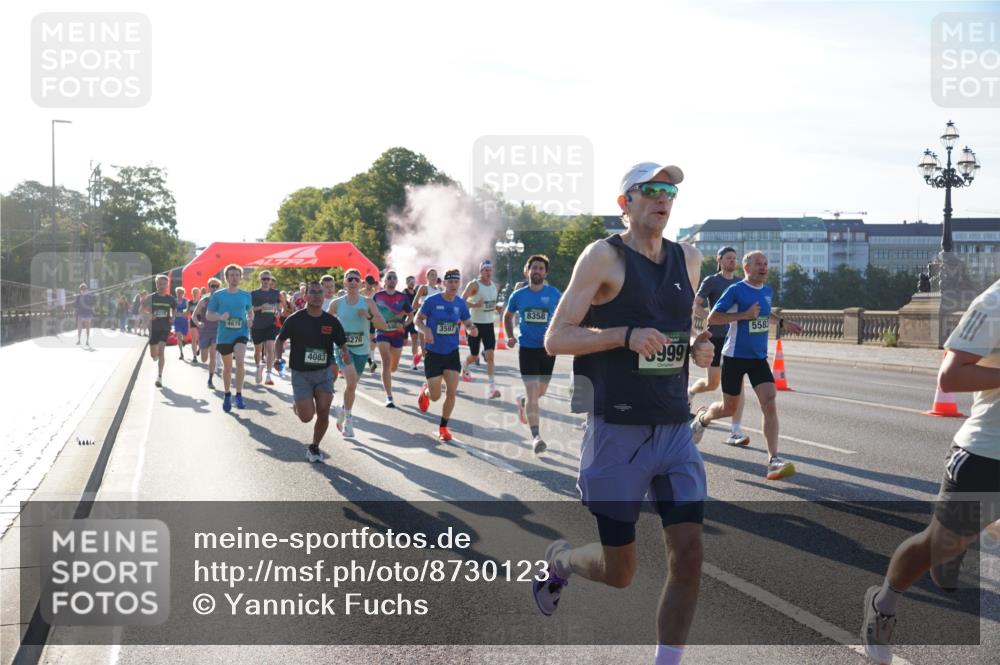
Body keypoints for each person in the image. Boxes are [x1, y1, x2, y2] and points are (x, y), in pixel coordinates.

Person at [535, 162, 714, 665]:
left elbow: (682, 325)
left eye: (671, 190)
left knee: (690, 556)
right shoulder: (603, 257)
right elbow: (555, 338)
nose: (664, 198)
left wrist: (699, 345)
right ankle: (562, 561)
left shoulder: (689, 258)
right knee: (622, 572)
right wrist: (624, 335)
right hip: (617, 428)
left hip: (676, 427)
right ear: (626, 203)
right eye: (652, 189)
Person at [860, 278, 1000, 664]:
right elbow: (951, 377)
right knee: (939, 547)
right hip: (988, 454)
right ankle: (883, 604)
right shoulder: (995, 302)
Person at [689, 251, 803, 481]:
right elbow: (713, 317)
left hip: (758, 358)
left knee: (769, 401)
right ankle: (702, 419)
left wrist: (782, 322)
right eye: (758, 264)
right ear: (746, 268)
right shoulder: (735, 290)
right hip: (734, 356)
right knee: (729, 409)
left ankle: (773, 460)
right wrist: (744, 315)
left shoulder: (767, 291)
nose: (764, 267)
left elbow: (764, 312)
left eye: (766, 263)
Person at [276, 281, 349, 463]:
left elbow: (342, 344)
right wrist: (278, 357)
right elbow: (280, 339)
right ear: (306, 296)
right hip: (301, 374)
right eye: (313, 292)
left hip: (323, 373)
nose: (316, 295)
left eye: (320, 292)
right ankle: (299, 405)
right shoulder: (295, 319)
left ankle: (314, 447)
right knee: (307, 417)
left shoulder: (331, 321)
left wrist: (345, 354)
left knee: (323, 411)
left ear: (324, 296)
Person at [688, 247, 748, 446]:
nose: (732, 261)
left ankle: (735, 431)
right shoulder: (712, 281)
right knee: (712, 384)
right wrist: (709, 317)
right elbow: (695, 304)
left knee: (738, 385)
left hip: (735, 339)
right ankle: (691, 391)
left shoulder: (741, 282)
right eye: (728, 258)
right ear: (719, 260)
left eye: (734, 258)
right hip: (716, 336)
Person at [504, 255, 562, 454]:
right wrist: (510, 336)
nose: (537, 271)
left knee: (540, 392)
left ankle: (522, 402)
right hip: (527, 349)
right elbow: (507, 315)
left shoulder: (554, 294)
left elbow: (566, 315)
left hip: (548, 349)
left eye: (541, 268)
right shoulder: (518, 295)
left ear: (545, 273)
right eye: (534, 268)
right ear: (527, 271)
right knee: (533, 394)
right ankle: (536, 437)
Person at [415, 268, 477, 442]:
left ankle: (443, 427)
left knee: (451, 392)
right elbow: (417, 319)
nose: (453, 285)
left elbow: (467, 321)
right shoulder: (431, 301)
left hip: (451, 353)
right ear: (444, 284)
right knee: (435, 396)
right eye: (450, 282)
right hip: (433, 353)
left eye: (456, 282)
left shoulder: (460, 303)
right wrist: (425, 329)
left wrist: (472, 328)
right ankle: (426, 391)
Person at [328, 269, 389, 437]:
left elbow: (383, 325)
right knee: (352, 380)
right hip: (343, 348)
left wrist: (368, 317)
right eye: (350, 279)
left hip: (362, 350)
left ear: (361, 283)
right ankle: (349, 420)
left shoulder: (368, 303)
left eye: (356, 279)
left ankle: (342, 410)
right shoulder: (336, 303)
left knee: (352, 385)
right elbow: (325, 322)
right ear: (345, 283)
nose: (353, 282)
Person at [206, 264, 253, 412]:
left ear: (241, 277)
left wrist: (250, 319)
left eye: (237, 275)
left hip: (241, 333)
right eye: (231, 275)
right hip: (225, 335)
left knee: (239, 361)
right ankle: (227, 394)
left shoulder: (246, 295)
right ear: (226, 278)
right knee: (227, 368)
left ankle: (239, 394)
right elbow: (209, 315)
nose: (234, 277)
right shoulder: (218, 295)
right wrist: (220, 316)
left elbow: (250, 312)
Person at [461, 260, 503, 398]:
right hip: (474, 325)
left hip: (489, 325)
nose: (488, 272)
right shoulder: (474, 284)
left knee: (490, 356)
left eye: (490, 270)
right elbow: (461, 302)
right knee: (474, 355)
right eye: (485, 270)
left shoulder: (494, 286)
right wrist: (474, 305)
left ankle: (492, 388)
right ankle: (465, 364)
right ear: (480, 272)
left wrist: (496, 307)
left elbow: (490, 304)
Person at [372, 270, 413, 407]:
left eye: (394, 278)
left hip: (397, 335)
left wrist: (404, 324)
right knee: (386, 362)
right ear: (385, 281)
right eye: (389, 277)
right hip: (382, 333)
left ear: (397, 281)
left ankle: (389, 374)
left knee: (393, 367)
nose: (391, 280)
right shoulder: (377, 296)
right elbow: (370, 314)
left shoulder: (402, 297)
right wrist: (372, 329)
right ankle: (389, 396)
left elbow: (411, 315)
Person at [144, 276, 177, 388]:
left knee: (162, 350)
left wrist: (173, 317)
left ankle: (159, 376)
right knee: (154, 355)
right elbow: (140, 310)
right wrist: (149, 315)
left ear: (167, 285)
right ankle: (155, 355)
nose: (161, 286)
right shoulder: (150, 298)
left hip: (164, 327)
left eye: (164, 284)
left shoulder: (171, 299)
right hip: (153, 328)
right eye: (159, 284)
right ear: (156, 285)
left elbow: (175, 310)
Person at [251, 270, 280, 386]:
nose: (266, 281)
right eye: (264, 279)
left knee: (269, 348)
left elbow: (279, 306)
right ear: (260, 280)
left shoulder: (275, 292)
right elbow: (249, 309)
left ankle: (268, 375)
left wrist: (278, 312)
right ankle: (258, 367)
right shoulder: (254, 293)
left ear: (271, 280)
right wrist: (259, 308)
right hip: (257, 325)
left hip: (270, 325)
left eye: (268, 279)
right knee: (257, 351)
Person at [193, 279, 221, 389]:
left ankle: (210, 379)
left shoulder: (222, 300)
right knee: (204, 358)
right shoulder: (204, 300)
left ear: (219, 287)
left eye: (216, 286)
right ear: (208, 287)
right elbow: (194, 315)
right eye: (212, 286)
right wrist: (198, 322)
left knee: (213, 355)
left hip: (217, 330)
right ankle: (202, 348)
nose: (214, 288)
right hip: (204, 330)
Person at [410, 268, 440, 370]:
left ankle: (418, 361)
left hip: (434, 322)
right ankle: (429, 370)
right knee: (424, 349)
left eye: (435, 275)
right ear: (427, 277)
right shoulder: (424, 288)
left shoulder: (439, 291)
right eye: (431, 275)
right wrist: (425, 307)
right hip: (422, 320)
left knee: (432, 346)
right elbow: (414, 305)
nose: (434, 277)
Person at [362, 274, 381, 374]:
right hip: (361, 318)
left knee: (372, 339)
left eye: (371, 284)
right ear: (364, 282)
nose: (370, 286)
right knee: (364, 339)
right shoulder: (360, 293)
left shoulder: (376, 293)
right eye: (368, 283)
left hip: (372, 318)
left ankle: (371, 359)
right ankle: (368, 359)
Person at [403, 275, 420, 367]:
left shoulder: (416, 293)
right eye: (410, 281)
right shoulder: (404, 292)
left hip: (413, 319)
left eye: (413, 281)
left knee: (414, 338)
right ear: (407, 282)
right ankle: (393, 354)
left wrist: (417, 307)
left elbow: (418, 303)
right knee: (404, 342)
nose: (412, 283)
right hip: (405, 319)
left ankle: (414, 362)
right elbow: (401, 305)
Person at [173, 286, 190, 361]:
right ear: (176, 293)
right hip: (177, 321)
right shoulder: (174, 301)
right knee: (178, 337)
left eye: (181, 293)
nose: (179, 294)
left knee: (185, 337)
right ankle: (181, 353)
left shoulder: (186, 301)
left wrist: (185, 312)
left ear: (183, 293)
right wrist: (173, 315)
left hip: (184, 321)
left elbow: (188, 311)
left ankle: (184, 341)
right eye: (178, 293)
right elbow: (173, 311)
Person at [188, 287, 202, 361]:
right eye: (194, 293)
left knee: (200, 338)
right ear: (192, 293)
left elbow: (204, 312)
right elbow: (187, 312)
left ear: (199, 293)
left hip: (200, 320)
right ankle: (194, 356)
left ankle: (199, 348)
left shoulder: (201, 302)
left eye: (196, 293)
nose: (195, 294)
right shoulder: (189, 302)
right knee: (194, 339)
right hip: (193, 321)